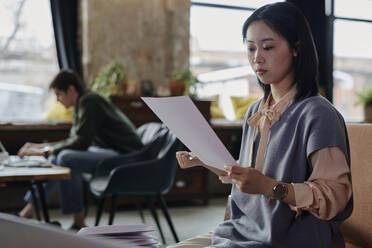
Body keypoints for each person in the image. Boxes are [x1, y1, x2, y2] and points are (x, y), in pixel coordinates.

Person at [173, 2, 352, 248]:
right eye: (250, 48)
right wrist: (204, 160)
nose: (257, 58)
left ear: (296, 48)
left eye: (268, 47)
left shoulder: (319, 114)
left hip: (292, 241)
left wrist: (269, 187)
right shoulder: (256, 111)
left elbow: (335, 196)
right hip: (242, 232)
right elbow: (250, 178)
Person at [18, 69, 143, 230]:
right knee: (59, 159)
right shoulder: (82, 103)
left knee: (66, 158)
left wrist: (44, 151)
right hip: (111, 150)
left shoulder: (89, 101)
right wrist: (41, 147)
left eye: (58, 94)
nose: (58, 100)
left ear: (70, 89)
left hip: (126, 154)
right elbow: (73, 140)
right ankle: (30, 211)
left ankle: (77, 221)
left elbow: (81, 142)